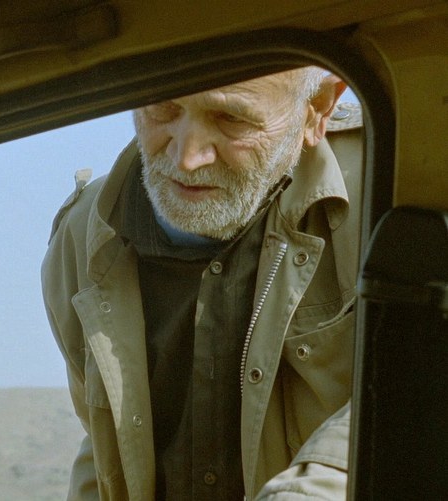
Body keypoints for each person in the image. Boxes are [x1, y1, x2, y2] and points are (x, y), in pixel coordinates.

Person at [42, 67, 363, 500]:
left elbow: (421, 391)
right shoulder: (84, 237)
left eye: (231, 119)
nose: (187, 158)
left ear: (316, 109)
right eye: (162, 108)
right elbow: (104, 451)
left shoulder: (388, 186)